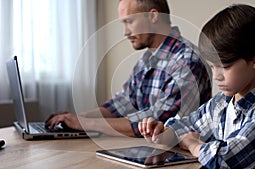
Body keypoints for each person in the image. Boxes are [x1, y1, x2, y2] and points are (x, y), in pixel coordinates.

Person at [139, 4, 255, 168]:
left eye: (225, 66)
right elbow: (187, 125)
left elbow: (227, 160)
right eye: (212, 67)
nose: (216, 76)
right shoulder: (222, 102)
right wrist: (164, 133)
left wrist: (194, 145)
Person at [45, 0, 211, 137]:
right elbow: (120, 104)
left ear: (153, 16)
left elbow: (155, 122)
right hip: (150, 150)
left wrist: (86, 124)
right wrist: (73, 119)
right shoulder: (147, 59)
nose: (125, 32)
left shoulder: (186, 61)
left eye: (129, 21)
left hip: (179, 157)